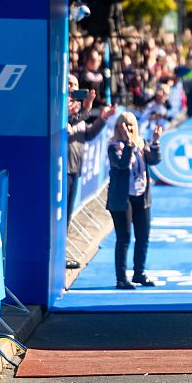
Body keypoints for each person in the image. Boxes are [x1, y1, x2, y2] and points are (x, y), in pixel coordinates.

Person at [106, 112, 162, 289]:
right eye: (124, 126)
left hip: (141, 197)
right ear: (117, 128)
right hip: (122, 199)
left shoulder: (141, 144)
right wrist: (128, 144)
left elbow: (154, 161)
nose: (129, 130)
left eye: (131, 126)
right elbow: (121, 164)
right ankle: (121, 278)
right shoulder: (114, 147)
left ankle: (139, 272)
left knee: (143, 236)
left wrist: (155, 142)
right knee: (124, 237)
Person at [67, 76, 116, 269]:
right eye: (69, 84)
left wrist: (103, 118)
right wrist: (86, 110)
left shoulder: (78, 111)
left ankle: (62, 252)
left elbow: (86, 135)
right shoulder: (61, 109)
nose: (73, 88)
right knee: (61, 215)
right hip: (62, 169)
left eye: (76, 85)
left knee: (68, 214)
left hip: (75, 168)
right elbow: (67, 123)